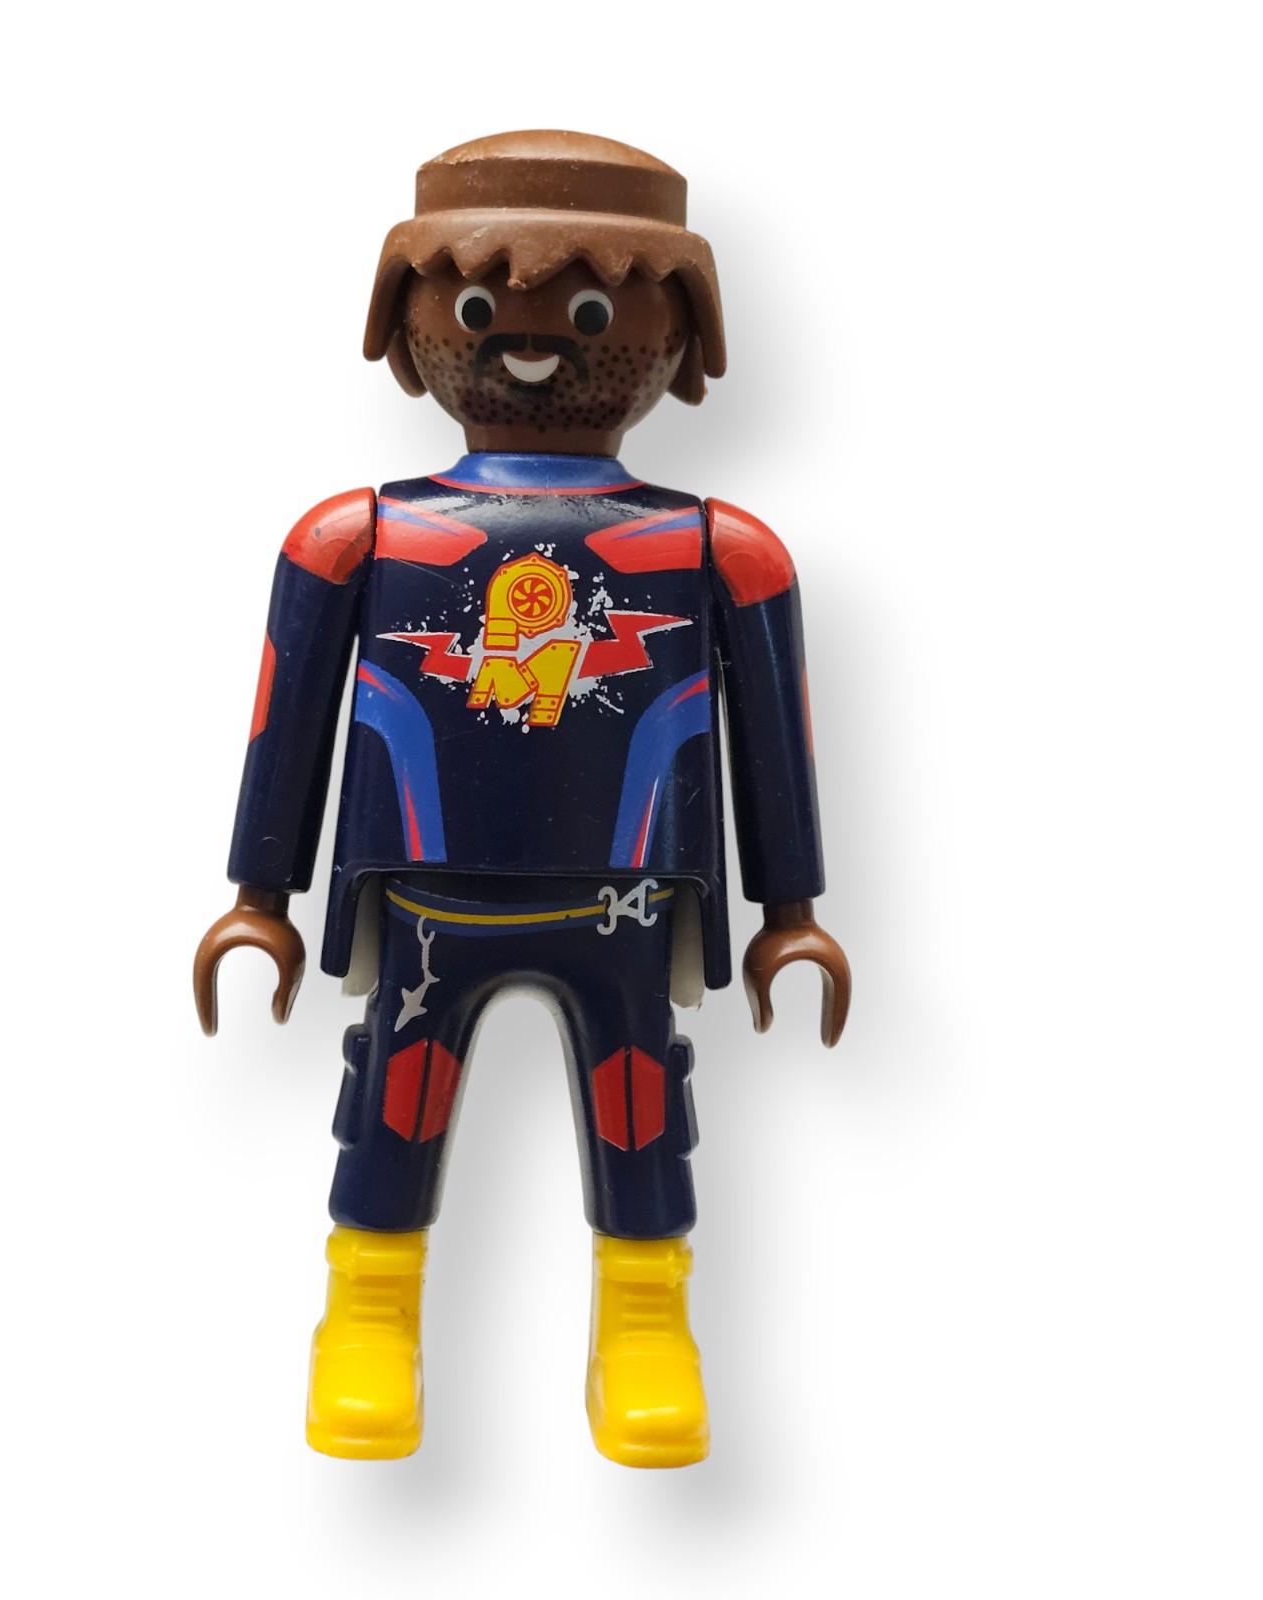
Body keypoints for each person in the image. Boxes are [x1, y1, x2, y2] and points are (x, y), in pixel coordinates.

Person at [195, 129, 850, 1467]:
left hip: (627, 896)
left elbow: (777, 737)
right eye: (485, 307)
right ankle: (369, 1312)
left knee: (638, 1098)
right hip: (428, 891)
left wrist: (793, 910)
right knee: (398, 1086)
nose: (538, 339)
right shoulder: (354, 540)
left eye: (594, 311)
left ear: (677, 333)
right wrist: (259, 894)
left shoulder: (723, 552)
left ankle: (646, 1318)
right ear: (411, 321)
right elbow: (288, 720)